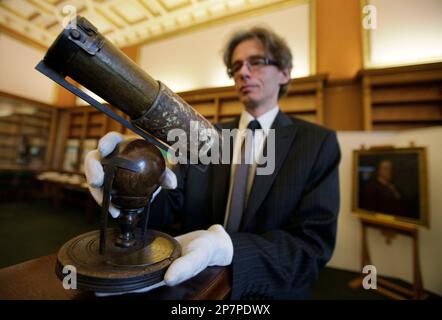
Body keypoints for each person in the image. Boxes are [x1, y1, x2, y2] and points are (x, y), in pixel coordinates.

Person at [85, 26, 341, 299]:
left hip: (272, 290)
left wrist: (230, 249)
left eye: (256, 62)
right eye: (236, 67)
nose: (243, 72)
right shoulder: (205, 136)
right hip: (194, 286)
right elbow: (169, 208)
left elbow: (312, 247)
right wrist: (132, 185)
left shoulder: (316, 143)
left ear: (285, 73)